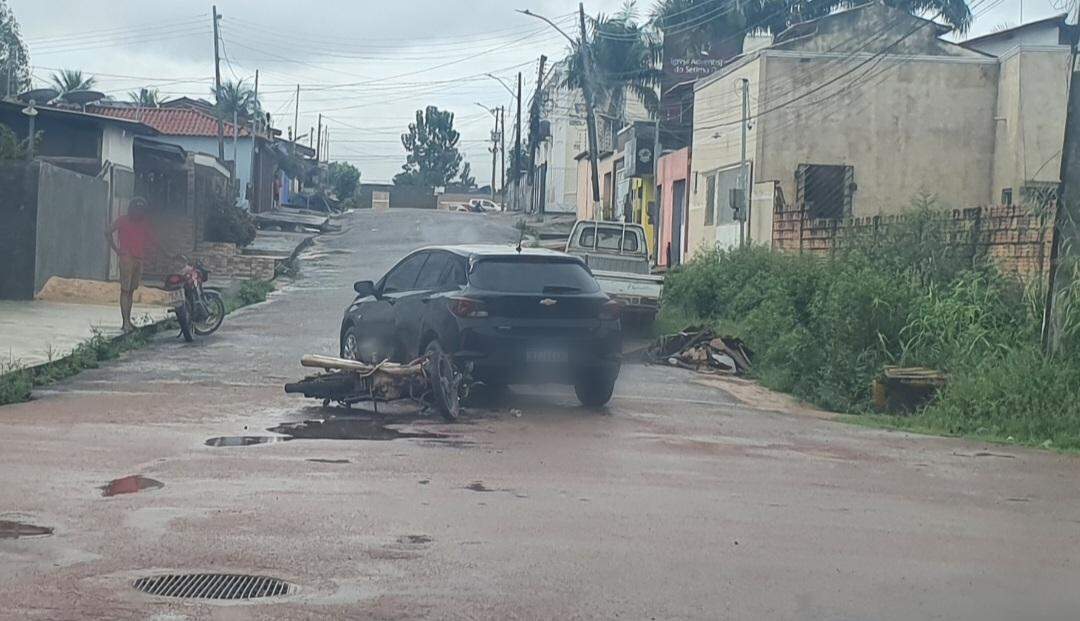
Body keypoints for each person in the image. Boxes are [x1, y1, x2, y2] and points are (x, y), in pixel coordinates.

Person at [105, 197, 162, 332]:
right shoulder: (123, 220)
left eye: (142, 209)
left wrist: (168, 254)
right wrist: (117, 250)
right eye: (137, 209)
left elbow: (154, 240)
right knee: (125, 291)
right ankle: (125, 323)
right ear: (132, 209)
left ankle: (128, 321)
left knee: (131, 291)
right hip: (127, 259)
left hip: (138, 259)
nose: (139, 212)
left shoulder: (144, 223)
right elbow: (107, 232)